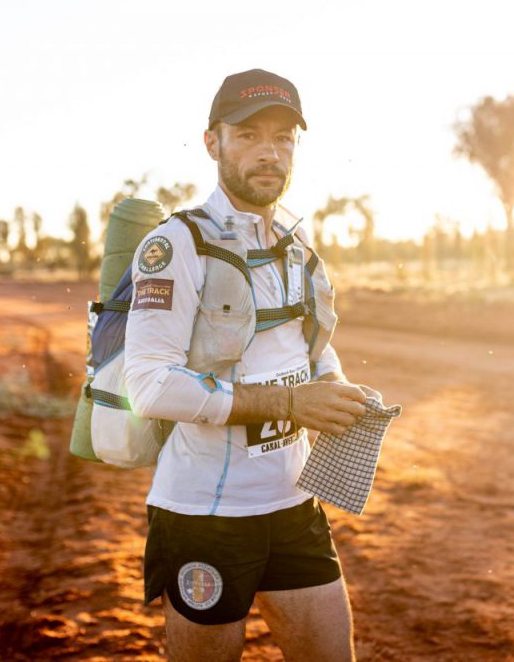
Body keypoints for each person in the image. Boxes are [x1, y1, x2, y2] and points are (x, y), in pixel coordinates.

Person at [123, 69, 374, 661]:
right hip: (205, 516)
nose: (269, 152)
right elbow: (150, 385)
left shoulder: (295, 243)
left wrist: (334, 388)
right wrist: (288, 404)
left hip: (294, 506)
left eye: (283, 137)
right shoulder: (177, 244)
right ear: (213, 143)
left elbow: (309, 347)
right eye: (249, 135)